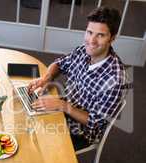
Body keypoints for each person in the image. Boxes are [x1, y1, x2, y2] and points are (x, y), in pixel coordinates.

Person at [28, 7, 128, 150]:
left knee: (35, 142)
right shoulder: (83, 50)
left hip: (81, 132)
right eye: (89, 32)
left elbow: (95, 122)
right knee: (25, 117)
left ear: (112, 38)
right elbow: (60, 64)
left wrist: (62, 106)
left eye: (100, 35)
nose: (91, 41)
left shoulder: (116, 79)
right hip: (63, 108)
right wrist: (46, 77)